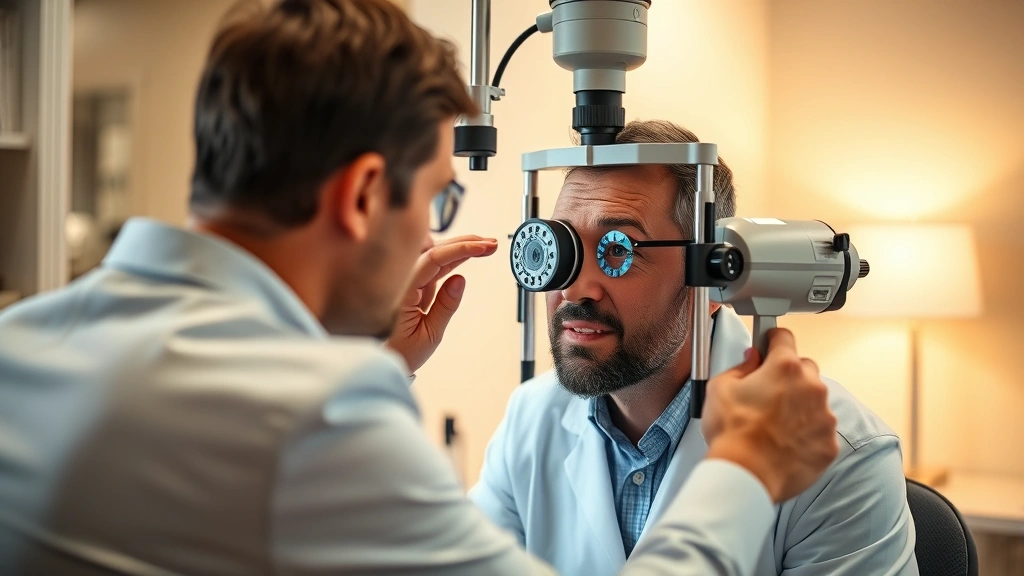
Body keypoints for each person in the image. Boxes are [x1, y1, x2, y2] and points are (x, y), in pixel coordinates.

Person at [0, 1, 837, 574]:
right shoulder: (320, 414)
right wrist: (746, 467)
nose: (433, 233)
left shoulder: (20, 345)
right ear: (364, 195)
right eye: (438, 196)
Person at [470, 119, 919, 575]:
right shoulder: (529, 420)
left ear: (710, 278)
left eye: (618, 249)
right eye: (560, 247)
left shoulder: (841, 456)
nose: (574, 288)